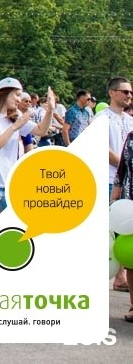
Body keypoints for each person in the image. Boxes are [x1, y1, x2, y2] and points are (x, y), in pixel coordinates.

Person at [0, 79, 54, 234]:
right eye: (16, 95)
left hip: (9, 184)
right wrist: (16, 126)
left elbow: (41, 130)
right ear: (4, 93)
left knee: (18, 231)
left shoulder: (15, 116)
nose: (19, 99)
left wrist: (50, 110)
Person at [103, 77, 133, 292]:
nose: (128, 96)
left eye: (130, 93)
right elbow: (102, 148)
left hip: (126, 182)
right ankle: (119, 275)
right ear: (112, 93)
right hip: (108, 178)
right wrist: (123, 163)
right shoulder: (102, 119)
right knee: (112, 230)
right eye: (124, 92)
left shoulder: (129, 121)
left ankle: (121, 276)